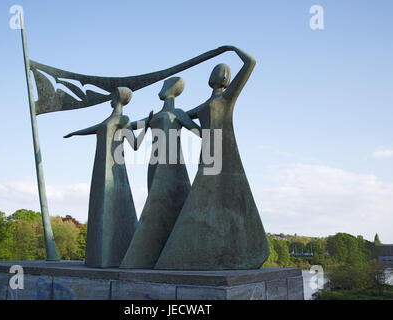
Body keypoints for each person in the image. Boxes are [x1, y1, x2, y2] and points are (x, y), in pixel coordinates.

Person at [155, 46, 270, 270]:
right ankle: (209, 254)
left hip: (225, 154)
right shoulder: (205, 104)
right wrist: (168, 116)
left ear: (226, 78)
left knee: (226, 199)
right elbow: (188, 124)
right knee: (208, 204)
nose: (217, 74)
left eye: (222, 71)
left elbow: (251, 63)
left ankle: (245, 250)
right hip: (207, 154)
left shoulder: (228, 97)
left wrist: (231, 49)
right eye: (216, 70)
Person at [120, 77, 201, 269]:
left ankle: (179, 249)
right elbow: (129, 128)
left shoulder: (178, 113)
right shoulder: (154, 116)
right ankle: (158, 252)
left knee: (170, 203)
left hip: (173, 165)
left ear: (172, 89)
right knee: (155, 202)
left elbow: (201, 132)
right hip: (154, 162)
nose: (162, 88)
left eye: (165, 85)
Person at [64, 87, 148, 268]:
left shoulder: (124, 119)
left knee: (113, 206)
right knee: (99, 206)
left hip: (114, 168)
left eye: (112, 96)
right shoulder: (109, 119)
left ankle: (115, 255)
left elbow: (134, 145)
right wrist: (75, 133)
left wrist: (144, 128)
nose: (110, 99)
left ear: (117, 98)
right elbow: (94, 129)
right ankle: (98, 257)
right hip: (100, 167)